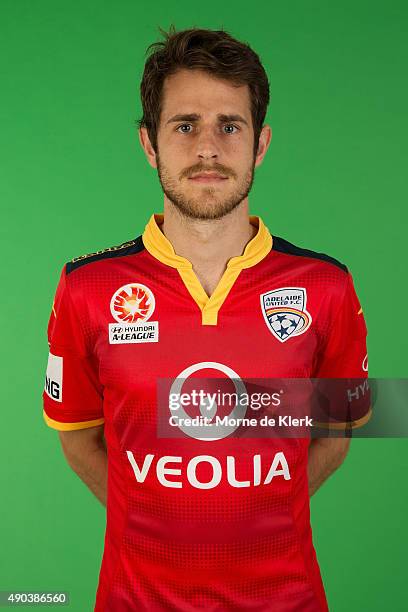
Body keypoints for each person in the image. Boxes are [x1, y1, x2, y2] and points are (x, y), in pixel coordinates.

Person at [42, 26, 370, 612]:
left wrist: (259, 515)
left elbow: (336, 433)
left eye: (230, 126)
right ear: (149, 143)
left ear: (260, 143)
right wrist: (152, 522)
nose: (208, 149)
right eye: (185, 125)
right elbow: (79, 440)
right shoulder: (87, 288)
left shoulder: (327, 287)